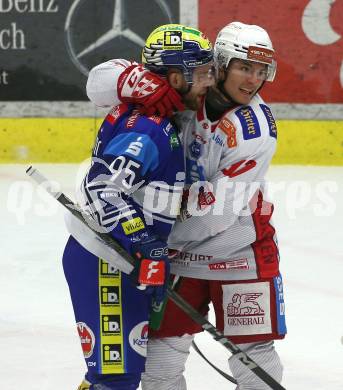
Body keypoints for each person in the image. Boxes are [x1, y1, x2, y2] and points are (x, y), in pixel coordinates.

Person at [86, 21, 287, 390]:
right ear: (220, 64)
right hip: (177, 256)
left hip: (238, 253)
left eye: (261, 72)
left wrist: (150, 240)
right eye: (245, 68)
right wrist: (135, 82)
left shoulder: (254, 129)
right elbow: (97, 84)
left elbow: (218, 215)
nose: (253, 81)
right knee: (158, 364)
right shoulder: (184, 91)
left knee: (253, 355)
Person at [62, 24, 214, 390]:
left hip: (120, 261)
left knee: (117, 376)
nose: (210, 82)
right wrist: (145, 240)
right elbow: (102, 189)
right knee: (116, 378)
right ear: (176, 78)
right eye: (203, 73)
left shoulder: (163, 119)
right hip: (106, 261)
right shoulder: (148, 128)